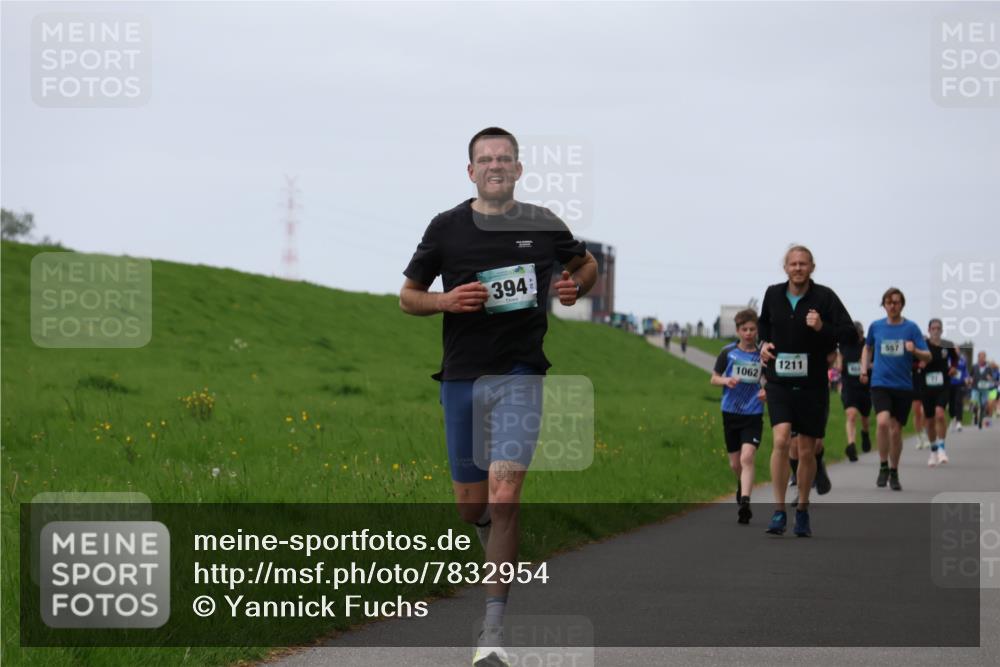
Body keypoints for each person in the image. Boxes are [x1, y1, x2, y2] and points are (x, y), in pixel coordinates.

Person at [399, 127, 598, 667]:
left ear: (518, 169)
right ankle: (488, 527)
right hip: (463, 375)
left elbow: (586, 264)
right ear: (471, 171)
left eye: (504, 159)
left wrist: (575, 285)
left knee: (507, 496)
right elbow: (407, 297)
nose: (495, 166)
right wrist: (445, 301)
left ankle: (491, 633)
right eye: (485, 159)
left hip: (520, 374)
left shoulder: (542, 222)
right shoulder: (446, 227)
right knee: (472, 507)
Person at [759, 245, 854, 537]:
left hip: (812, 383)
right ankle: (778, 510)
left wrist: (822, 327)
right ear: (785, 268)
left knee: (807, 450)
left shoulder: (825, 297)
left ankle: (801, 507)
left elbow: (849, 333)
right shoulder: (773, 294)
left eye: (803, 264)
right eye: (793, 264)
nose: (798, 268)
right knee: (781, 439)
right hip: (779, 382)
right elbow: (764, 325)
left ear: (812, 267)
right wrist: (763, 344)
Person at [860, 287, 931, 491]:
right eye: (889, 302)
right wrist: (864, 368)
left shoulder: (911, 328)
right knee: (882, 423)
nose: (893, 306)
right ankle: (883, 465)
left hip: (903, 386)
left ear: (902, 305)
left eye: (897, 302)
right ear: (884, 305)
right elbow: (867, 347)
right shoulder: (876, 327)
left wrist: (915, 350)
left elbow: (928, 357)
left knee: (896, 430)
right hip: (880, 383)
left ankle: (894, 470)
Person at [710, 309, 766, 524]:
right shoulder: (728, 352)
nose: (749, 333)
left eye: (752, 329)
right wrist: (726, 381)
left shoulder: (763, 354)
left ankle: (745, 502)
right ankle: (741, 484)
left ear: (757, 330)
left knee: (747, 457)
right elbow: (713, 378)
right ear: (738, 330)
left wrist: (766, 390)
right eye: (745, 329)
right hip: (730, 412)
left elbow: (770, 379)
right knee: (735, 464)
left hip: (753, 412)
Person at [919, 319, 959, 466]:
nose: (936, 331)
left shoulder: (947, 345)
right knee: (929, 420)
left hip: (943, 384)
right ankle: (933, 450)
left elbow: (955, 358)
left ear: (942, 330)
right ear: (929, 330)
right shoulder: (922, 345)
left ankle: (942, 448)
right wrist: (919, 364)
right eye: (933, 328)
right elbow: (912, 361)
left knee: (940, 414)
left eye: (938, 328)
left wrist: (953, 367)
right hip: (926, 386)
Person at [838, 321, 872, 461]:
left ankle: (865, 433)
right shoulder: (844, 344)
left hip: (865, 386)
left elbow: (875, 362)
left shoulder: (868, 345)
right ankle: (851, 445)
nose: (858, 336)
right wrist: (839, 366)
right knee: (851, 415)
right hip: (849, 385)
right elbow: (839, 357)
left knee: (864, 416)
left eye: (860, 333)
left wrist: (866, 365)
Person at [970, 351, 998, 429]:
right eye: (981, 357)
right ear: (978, 358)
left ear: (985, 358)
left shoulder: (988, 367)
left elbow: (992, 378)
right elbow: (971, 375)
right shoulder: (974, 366)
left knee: (983, 405)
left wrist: (990, 378)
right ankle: (975, 414)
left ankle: (980, 420)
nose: (982, 358)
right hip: (975, 387)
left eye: (983, 357)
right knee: (974, 402)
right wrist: (970, 380)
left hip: (985, 388)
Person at [949, 350, 969, 432]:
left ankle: (959, 421)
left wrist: (967, 377)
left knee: (959, 401)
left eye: (957, 349)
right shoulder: (948, 358)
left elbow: (965, 370)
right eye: (954, 349)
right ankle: (953, 417)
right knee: (951, 403)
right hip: (950, 383)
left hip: (960, 383)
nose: (956, 351)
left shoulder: (962, 359)